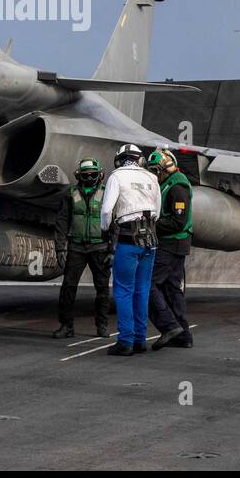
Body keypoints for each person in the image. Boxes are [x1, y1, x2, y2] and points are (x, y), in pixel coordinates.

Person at [101, 144, 161, 357]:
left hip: (128, 240)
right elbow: (158, 211)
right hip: (150, 240)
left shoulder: (116, 177)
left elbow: (107, 210)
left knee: (123, 290)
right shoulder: (152, 178)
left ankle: (125, 340)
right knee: (142, 289)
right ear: (139, 159)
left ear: (119, 159)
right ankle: (140, 340)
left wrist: (104, 231)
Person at [51, 158, 113, 339]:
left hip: (100, 247)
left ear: (99, 174)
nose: (89, 178)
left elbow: (113, 222)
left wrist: (112, 249)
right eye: (86, 175)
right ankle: (66, 326)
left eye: (93, 175)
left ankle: (102, 326)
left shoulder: (106, 194)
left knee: (102, 289)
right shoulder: (70, 194)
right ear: (79, 175)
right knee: (68, 287)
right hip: (76, 247)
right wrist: (60, 248)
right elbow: (62, 222)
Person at [145, 149, 194, 349]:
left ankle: (169, 326)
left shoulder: (177, 186)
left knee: (148, 284)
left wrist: (151, 222)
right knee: (172, 289)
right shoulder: (167, 183)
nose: (155, 175)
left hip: (172, 243)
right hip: (175, 243)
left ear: (168, 168)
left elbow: (177, 222)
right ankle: (184, 336)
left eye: (158, 171)